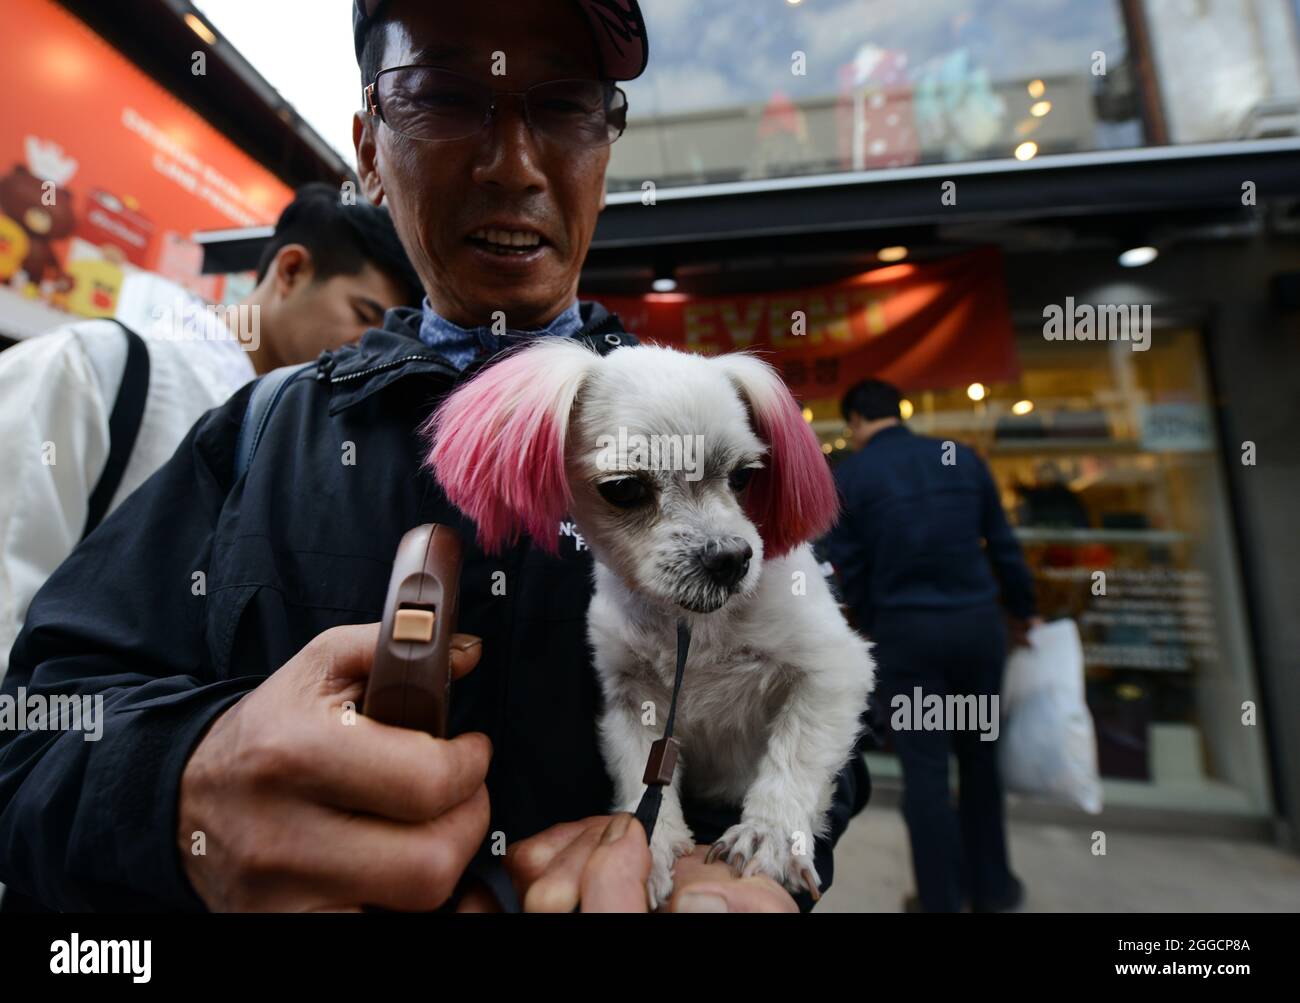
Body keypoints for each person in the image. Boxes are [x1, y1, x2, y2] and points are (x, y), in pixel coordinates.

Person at [0, 0, 868, 913]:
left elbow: (823, 672)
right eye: (446, 97)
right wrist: (184, 788)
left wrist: (774, 844)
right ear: (369, 151)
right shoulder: (256, 437)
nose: (513, 165)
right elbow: (36, 729)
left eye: (566, 106)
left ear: (605, 155)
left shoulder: (709, 413)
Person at [0, 183, 421, 681]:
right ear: (291, 271)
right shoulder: (97, 365)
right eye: (363, 316)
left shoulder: (309, 448)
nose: (369, 349)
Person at [824, 378, 1038, 913]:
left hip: (907, 636)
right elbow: (1004, 545)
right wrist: (1024, 608)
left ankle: (939, 899)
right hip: (976, 629)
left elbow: (845, 568)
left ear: (854, 422)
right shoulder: (961, 459)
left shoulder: (851, 475)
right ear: (902, 410)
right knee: (979, 763)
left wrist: (870, 626)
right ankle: (993, 890)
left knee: (925, 774)